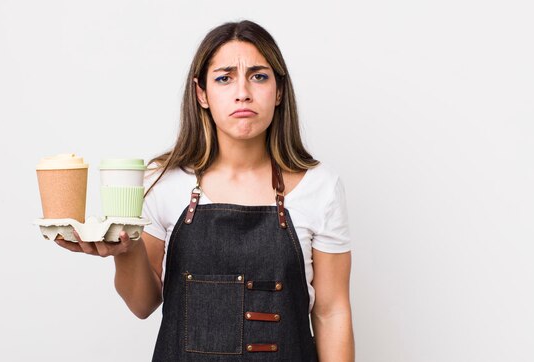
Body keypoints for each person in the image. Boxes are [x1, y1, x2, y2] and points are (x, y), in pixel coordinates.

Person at [56, 20, 354, 361]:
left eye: (258, 76)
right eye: (224, 77)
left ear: (280, 90)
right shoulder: (163, 181)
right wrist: (125, 250)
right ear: (202, 93)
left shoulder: (320, 187)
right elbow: (142, 304)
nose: (243, 91)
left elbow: (332, 312)